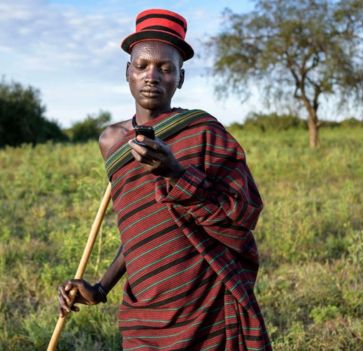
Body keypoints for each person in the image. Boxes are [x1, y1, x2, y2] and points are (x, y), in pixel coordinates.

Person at [58, 8, 271, 350]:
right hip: (144, 310)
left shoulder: (204, 132)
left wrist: (177, 172)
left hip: (206, 302)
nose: (151, 76)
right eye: (142, 66)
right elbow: (139, 230)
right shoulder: (112, 142)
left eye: (165, 68)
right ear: (127, 72)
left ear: (180, 79)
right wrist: (100, 288)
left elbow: (242, 213)